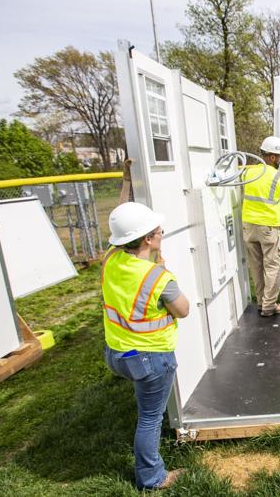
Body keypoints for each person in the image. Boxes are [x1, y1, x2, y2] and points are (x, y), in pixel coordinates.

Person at [101, 202, 190, 490]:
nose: (161, 234)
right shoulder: (159, 279)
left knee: (146, 411)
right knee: (150, 419)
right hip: (149, 359)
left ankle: (150, 472)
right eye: (158, 232)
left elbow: (121, 232)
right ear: (149, 240)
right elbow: (183, 310)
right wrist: (161, 269)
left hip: (116, 354)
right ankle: (152, 478)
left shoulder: (110, 261)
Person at [241, 136, 280, 316]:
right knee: (272, 266)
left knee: (256, 266)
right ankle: (269, 306)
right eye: (279, 157)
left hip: (248, 226)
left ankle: (261, 302)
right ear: (272, 157)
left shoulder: (248, 172)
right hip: (268, 228)